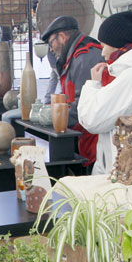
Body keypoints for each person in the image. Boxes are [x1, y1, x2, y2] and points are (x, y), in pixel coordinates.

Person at [77, 11, 132, 175]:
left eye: (104, 46)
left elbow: (91, 119)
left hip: (125, 176)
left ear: (117, 44)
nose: (102, 53)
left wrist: (93, 84)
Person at [42, 15, 104, 168]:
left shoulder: (84, 56)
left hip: (92, 137)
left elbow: (83, 103)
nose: (51, 48)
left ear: (62, 37)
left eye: (51, 43)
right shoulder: (74, 56)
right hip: (83, 133)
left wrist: (55, 121)